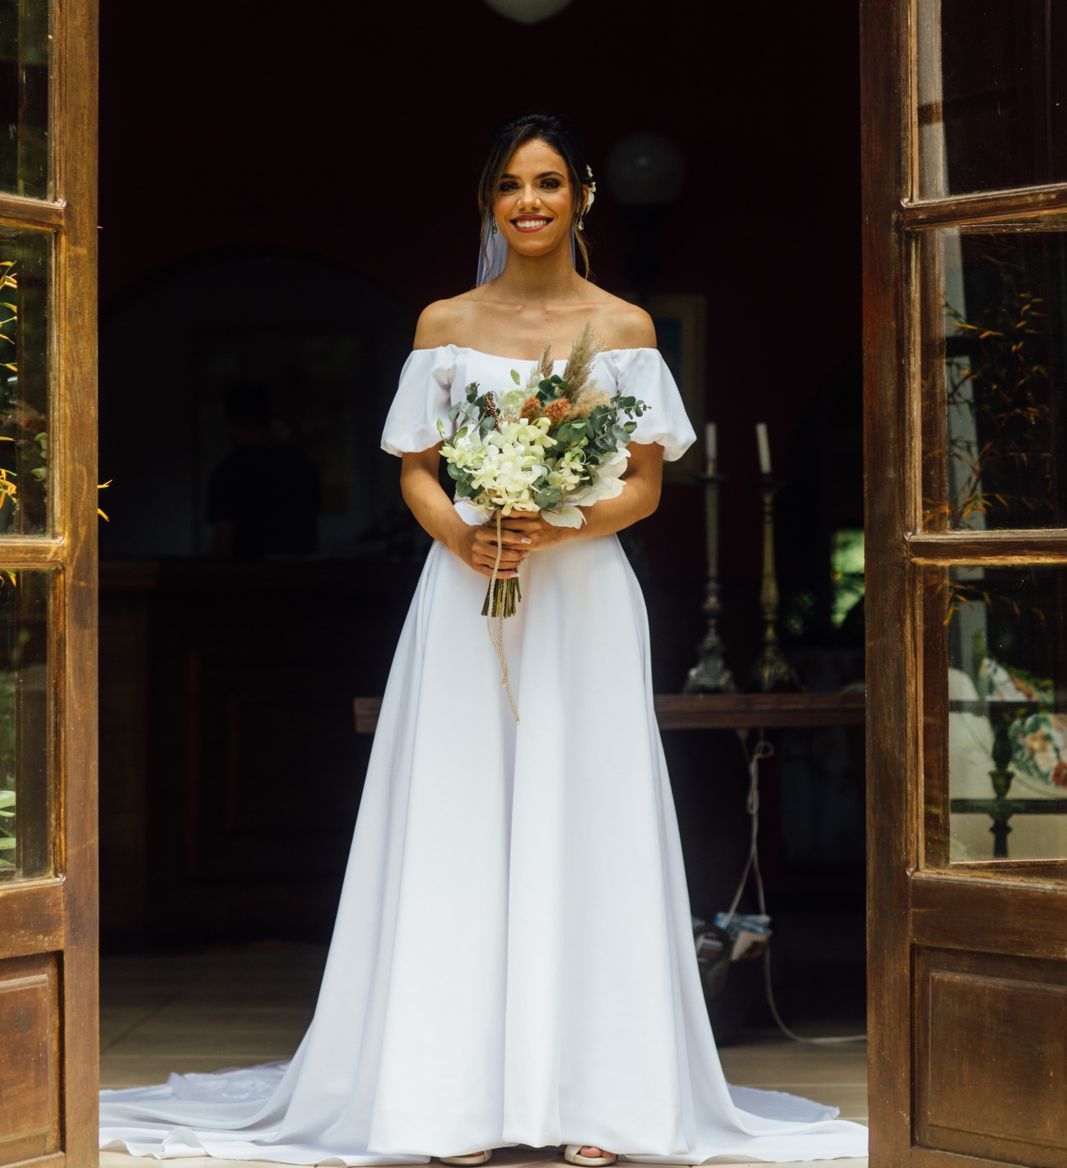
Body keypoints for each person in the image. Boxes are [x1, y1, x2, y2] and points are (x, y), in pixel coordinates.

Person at [100, 114, 868, 1165]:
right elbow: (413, 463)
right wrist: (463, 529)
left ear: (583, 194)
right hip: (464, 595)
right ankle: (445, 1096)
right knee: (460, 816)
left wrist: (553, 519)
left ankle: (607, 1100)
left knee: (586, 814)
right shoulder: (443, 322)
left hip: (584, 598)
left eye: (548, 181)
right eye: (509, 184)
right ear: (486, 203)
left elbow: (643, 486)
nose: (529, 201)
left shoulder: (628, 330)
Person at [206, 382, 321, 559]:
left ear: (231, 424)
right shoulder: (300, 465)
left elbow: (223, 542)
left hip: (248, 580)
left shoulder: (229, 472)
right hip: (301, 577)